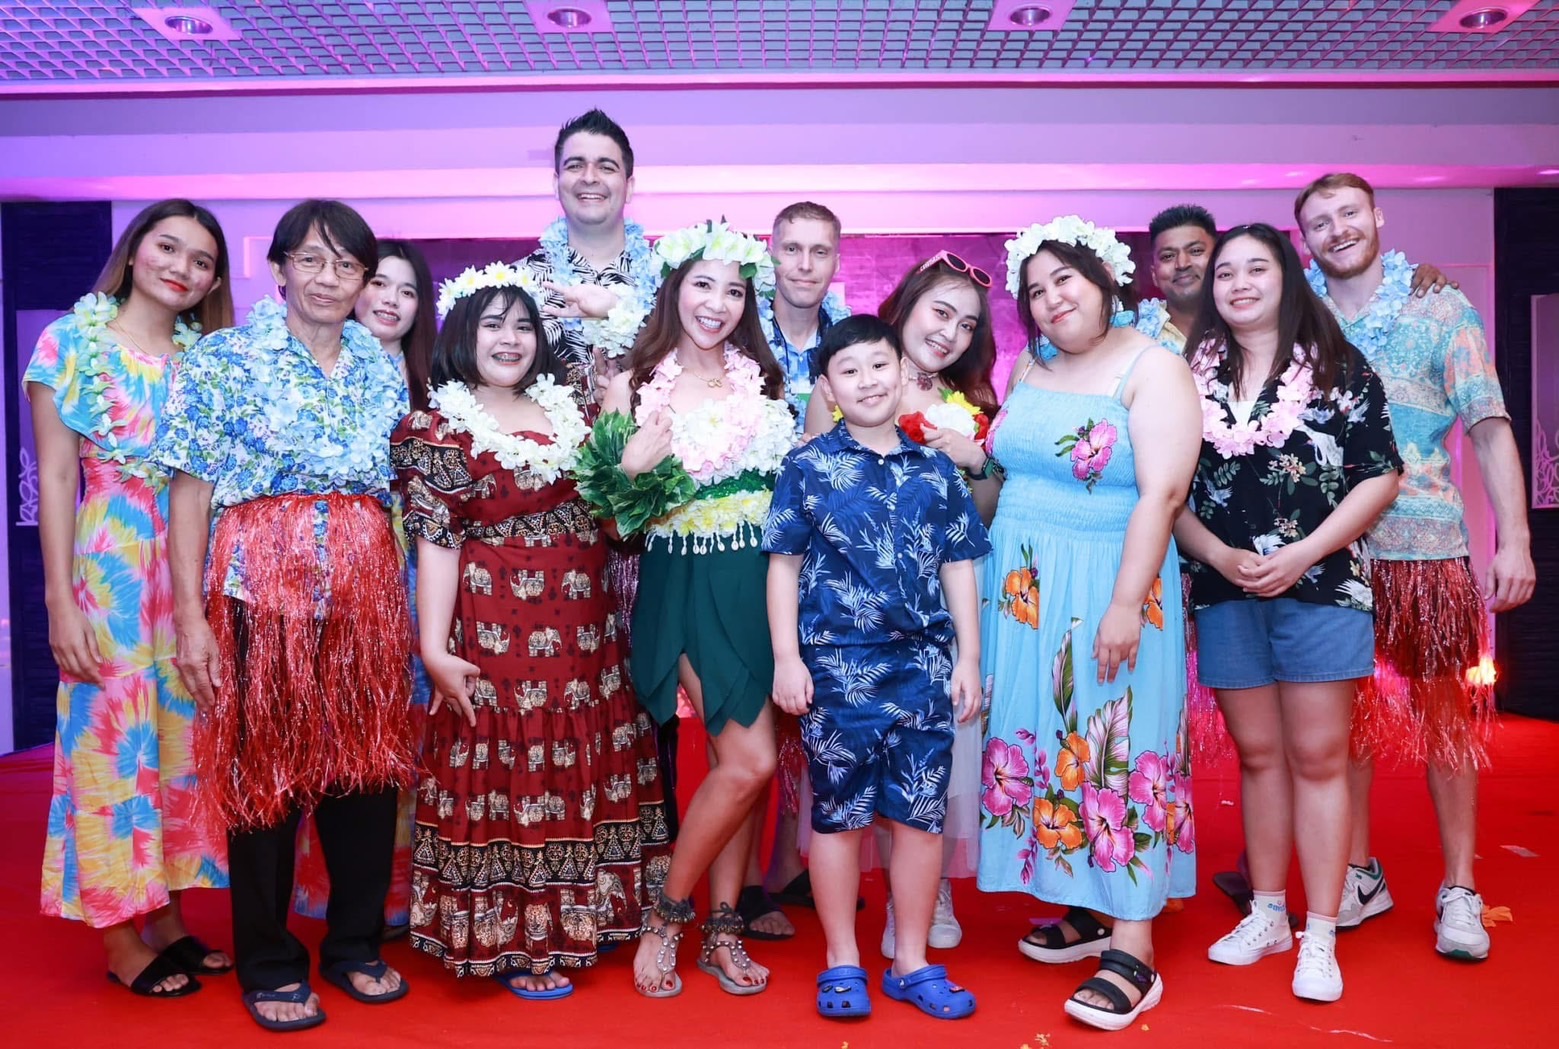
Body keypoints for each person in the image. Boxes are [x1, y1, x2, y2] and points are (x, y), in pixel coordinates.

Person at [156, 199, 416, 1032]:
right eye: (311, 259)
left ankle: (353, 943)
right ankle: (269, 961)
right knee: (264, 777)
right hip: (258, 590)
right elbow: (190, 490)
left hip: (366, 595)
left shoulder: (380, 365)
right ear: (278, 268)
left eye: (346, 265)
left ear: (363, 279)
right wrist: (191, 618)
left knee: (365, 773)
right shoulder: (224, 359)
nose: (328, 278)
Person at [389, 262, 672, 998]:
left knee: (583, 754)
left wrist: (631, 473)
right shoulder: (435, 427)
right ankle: (518, 937)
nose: (510, 339)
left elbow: (615, 523)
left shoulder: (572, 410)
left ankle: (587, 917)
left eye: (523, 325)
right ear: (462, 332)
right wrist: (433, 648)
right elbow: (436, 544)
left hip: (585, 630)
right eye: (493, 324)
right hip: (496, 629)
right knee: (511, 760)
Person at [1297, 173, 1535, 960]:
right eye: (1319, 221)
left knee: (1445, 724)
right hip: (1324, 553)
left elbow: (1490, 427)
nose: (1337, 229)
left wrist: (1514, 540)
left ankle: (1459, 887)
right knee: (1339, 725)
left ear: (1376, 216)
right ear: (1303, 239)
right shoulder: (1296, 318)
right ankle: (1357, 872)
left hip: (1425, 549)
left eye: (1348, 213)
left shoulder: (1440, 309)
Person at [978, 216, 1200, 1031]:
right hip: (1024, 586)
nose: (1049, 300)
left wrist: (1123, 602)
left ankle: (1133, 938)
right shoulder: (1028, 366)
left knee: (1118, 739)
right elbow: (1000, 474)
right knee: (1048, 734)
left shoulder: (1154, 367)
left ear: (1104, 278)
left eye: (1063, 280)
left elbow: (1162, 493)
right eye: (1034, 290)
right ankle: (1085, 899)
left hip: (1111, 578)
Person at [1175, 224, 1403, 1001]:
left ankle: (1322, 931)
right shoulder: (1185, 378)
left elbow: (1379, 475)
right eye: (1224, 272)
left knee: (1317, 756)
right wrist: (1215, 554)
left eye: (1256, 268)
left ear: (1287, 279)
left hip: (1321, 584)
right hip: (1225, 588)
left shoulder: (1337, 365)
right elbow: (1166, 491)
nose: (1238, 283)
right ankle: (1267, 912)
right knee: (1257, 755)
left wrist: (1304, 552)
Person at [575, 219, 794, 998]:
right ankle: (666, 917)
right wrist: (632, 469)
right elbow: (611, 522)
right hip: (689, 575)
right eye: (703, 284)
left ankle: (723, 930)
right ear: (673, 289)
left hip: (764, 581)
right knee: (748, 759)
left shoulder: (764, 381)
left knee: (746, 768)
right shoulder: (632, 384)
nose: (717, 302)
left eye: (734, 290)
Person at [27, 199, 234, 999]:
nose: (182, 268)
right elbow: (55, 475)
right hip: (109, 568)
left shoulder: (204, 360)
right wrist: (59, 600)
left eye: (202, 260)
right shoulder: (70, 342)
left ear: (213, 281)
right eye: (168, 247)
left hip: (189, 569)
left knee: (182, 743)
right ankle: (117, 934)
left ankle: (169, 915)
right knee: (108, 744)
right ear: (135, 249)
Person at [766, 314, 988, 1021]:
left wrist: (968, 656)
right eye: (850, 370)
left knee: (920, 818)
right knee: (839, 818)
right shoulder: (806, 466)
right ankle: (841, 958)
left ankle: (911, 960)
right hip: (837, 670)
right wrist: (786, 658)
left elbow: (959, 565)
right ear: (828, 388)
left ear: (902, 373)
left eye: (879, 365)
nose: (867, 381)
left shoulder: (936, 468)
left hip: (923, 668)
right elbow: (783, 565)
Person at [805, 249, 1001, 957]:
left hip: (942, 603)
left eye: (967, 324)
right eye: (940, 312)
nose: (950, 332)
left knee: (933, 758)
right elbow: (813, 496)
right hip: (854, 618)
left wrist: (973, 460)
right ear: (907, 304)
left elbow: (981, 516)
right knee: (862, 760)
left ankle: (927, 890)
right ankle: (883, 905)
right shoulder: (849, 381)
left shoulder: (967, 402)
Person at [293, 237, 438, 936]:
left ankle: (398, 895)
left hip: (416, 573)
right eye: (380, 282)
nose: (391, 300)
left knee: (406, 730)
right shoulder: (314, 374)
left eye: (408, 291)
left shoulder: (433, 388)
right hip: (333, 576)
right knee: (333, 727)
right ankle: (336, 893)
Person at [738, 200, 852, 942]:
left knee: (811, 707)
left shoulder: (850, 340)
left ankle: (788, 863)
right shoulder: (738, 331)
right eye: (792, 249)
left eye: (820, 251)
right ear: (769, 253)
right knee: (756, 710)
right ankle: (746, 882)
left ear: (836, 260)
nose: (805, 264)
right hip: (749, 542)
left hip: (831, 551)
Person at [523, 108, 660, 400]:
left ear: (629, 186)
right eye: (575, 165)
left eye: (606, 167)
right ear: (556, 183)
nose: (589, 177)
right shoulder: (518, 283)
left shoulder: (671, 281)